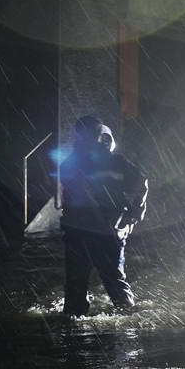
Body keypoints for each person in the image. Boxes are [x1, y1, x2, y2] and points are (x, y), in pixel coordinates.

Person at [59, 115, 148, 317]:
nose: (89, 139)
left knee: (113, 282)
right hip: (82, 233)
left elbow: (140, 183)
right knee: (76, 287)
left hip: (105, 232)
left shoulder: (113, 163)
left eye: (92, 134)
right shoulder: (71, 164)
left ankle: (127, 319)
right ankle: (74, 325)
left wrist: (135, 212)